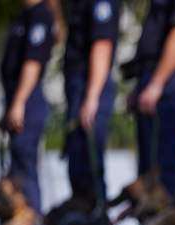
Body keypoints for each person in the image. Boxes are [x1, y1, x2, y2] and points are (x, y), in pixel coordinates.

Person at [125, 0, 175, 197]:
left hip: (169, 79)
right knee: (149, 172)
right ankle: (152, 224)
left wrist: (156, 83)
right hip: (156, 77)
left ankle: (167, 224)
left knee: (164, 172)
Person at [0, 0, 63, 214]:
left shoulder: (40, 16)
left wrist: (18, 103)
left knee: (24, 170)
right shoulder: (25, 17)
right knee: (17, 168)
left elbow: (32, 63)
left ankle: (32, 224)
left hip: (28, 98)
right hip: (18, 98)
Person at [63, 0, 121, 205]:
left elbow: (102, 46)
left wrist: (91, 97)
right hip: (82, 86)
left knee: (88, 166)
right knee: (78, 167)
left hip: (90, 84)